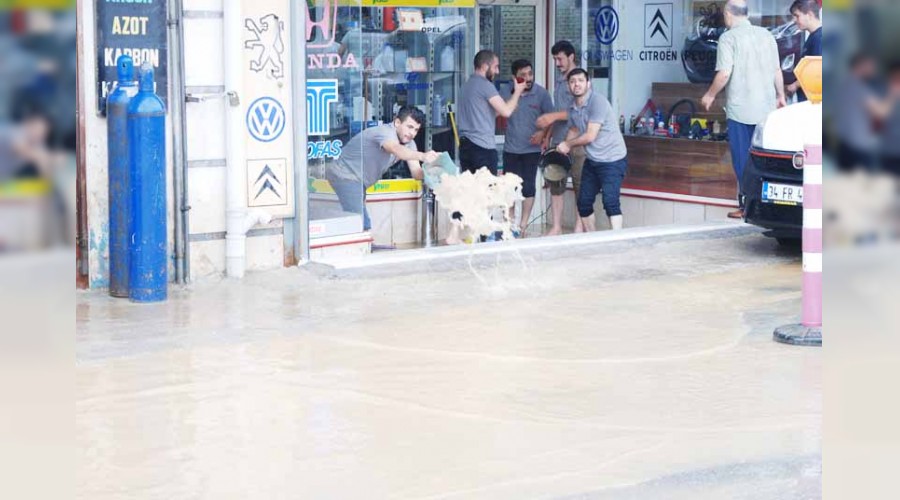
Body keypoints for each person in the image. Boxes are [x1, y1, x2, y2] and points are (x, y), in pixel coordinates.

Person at [701, 0, 786, 219]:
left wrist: (710, 95)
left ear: (728, 14)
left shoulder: (728, 38)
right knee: (764, 157)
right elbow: (777, 70)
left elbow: (724, 73)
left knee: (742, 159)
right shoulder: (767, 36)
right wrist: (781, 96)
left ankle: (747, 205)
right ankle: (765, 204)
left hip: (741, 110)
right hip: (766, 110)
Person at [327, 106, 440, 230]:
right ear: (397, 122)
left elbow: (417, 173)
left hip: (359, 181)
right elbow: (396, 149)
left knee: (355, 222)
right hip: (344, 176)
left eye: (416, 130)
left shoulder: (409, 144)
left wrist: (437, 169)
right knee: (361, 224)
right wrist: (424, 156)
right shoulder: (385, 132)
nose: (412, 133)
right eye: (409, 127)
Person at [556, 68, 627, 232]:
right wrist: (563, 145)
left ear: (588, 84)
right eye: (572, 81)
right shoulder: (573, 107)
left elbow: (590, 136)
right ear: (568, 86)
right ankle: (593, 238)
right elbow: (574, 129)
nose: (576, 84)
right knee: (584, 202)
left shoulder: (597, 102)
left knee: (610, 202)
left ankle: (618, 240)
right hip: (593, 159)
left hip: (612, 159)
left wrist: (569, 145)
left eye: (580, 81)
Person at [535, 40, 585, 235]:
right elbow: (557, 111)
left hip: (578, 141)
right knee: (556, 183)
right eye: (555, 59)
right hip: (558, 140)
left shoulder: (580, 80)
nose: (557, 63)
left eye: (560, 58)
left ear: (571, 57)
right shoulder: (558, 81)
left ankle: (579, 226)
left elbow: (578, 111)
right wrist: (547, 135)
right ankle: (556, 226)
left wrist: (552, 117)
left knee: (581, 185)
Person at [500, 59, 554, 236]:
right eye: (523, 75)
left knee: (528, 187)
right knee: (510, 189)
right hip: (511, 149)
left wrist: (544, 135)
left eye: (530, 74)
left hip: (531, 150)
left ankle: (523, 225)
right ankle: (509, 225)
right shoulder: (506, 91)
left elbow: (551, 118)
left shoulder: (541, 94)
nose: (528, 78)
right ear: (514, 77)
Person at [457, 49, 526, 175]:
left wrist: (506, 107)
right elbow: (506, 112)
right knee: (488, 192)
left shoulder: (466, 86)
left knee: (470, 191)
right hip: (482, 148)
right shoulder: (486, 85)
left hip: (465, 146)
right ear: (484, 66)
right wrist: (518, 91)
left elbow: (483, 114)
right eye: (495, 67)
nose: (497, 71)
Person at [835, 54, 883, 171]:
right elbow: (881, 111)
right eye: (870, 66)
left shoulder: (844, 85)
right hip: (859, 146)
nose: (873, 69)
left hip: (845, 145)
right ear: (861, 66)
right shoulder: (857, 87)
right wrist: (894, 93)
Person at [786, 0, 823, 102]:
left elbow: (817, 71)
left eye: (797, 16)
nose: (794, 20)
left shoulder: (819, 38)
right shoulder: (814, 36)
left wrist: (795, 85)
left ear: (809, 15)